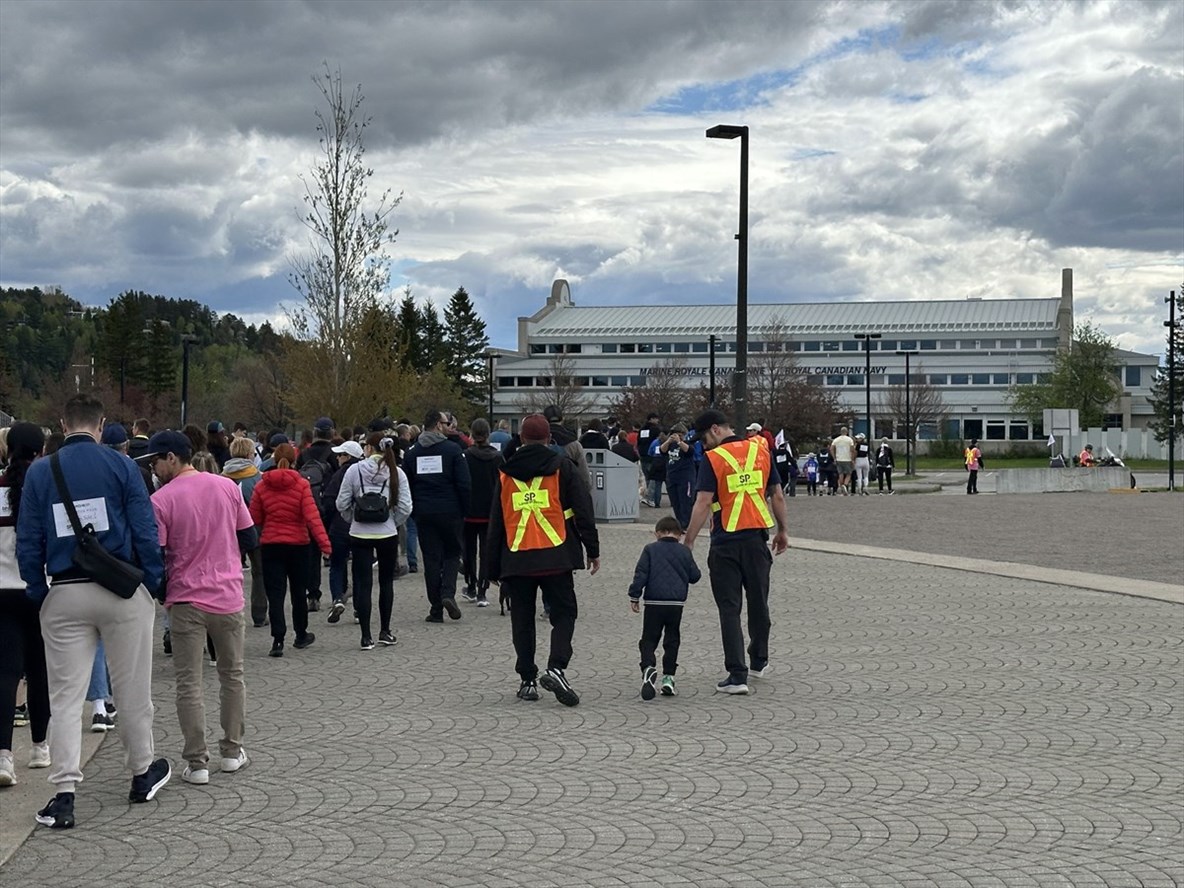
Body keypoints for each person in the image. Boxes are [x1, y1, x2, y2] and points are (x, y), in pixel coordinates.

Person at [16, 393, 170, 829]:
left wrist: (35, 587)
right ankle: (141, 772)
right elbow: (144, 527)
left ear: (63, 425)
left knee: (65, 697)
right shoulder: (122, 466)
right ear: (101, 426)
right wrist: (152, 579)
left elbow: (30, 537)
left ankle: (63, 793)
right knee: (132, 689)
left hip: (64, 590)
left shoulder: (42, 472)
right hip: (120, 589)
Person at [147, 430, 256, 785]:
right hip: (226, 595)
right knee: (232, 674)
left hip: (185, 598)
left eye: (155, 461)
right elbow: (249, 537)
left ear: (172, 458)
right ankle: (232, 750)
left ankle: (197, 763)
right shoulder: (227, 487)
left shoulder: (161, 500)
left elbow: (158, 554)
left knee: (188, 683)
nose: (153, 468)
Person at [485, 413, 599, 706]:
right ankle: (557, 667)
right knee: (564, 614)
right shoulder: (563, 467)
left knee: (522, 620)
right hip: (556, 555)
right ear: (549, 439)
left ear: (521, 438)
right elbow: (583, 508)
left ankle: (527, 680)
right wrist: (592, 549)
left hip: (517, 558)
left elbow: (496, 521)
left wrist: (491, 567)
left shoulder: (505, 473)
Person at [683, 409, 790, 696]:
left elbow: (703, 502)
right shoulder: (761, 450)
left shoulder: (713, 459)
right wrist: (783, 530)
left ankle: (737, 675)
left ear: (716, 429)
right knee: (759, 603)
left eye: (704, 438)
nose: (703, 444)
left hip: (725, 543)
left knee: (729, 609)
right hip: (756, 540)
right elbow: (777, 494)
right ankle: (758, 660)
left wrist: (689, 541)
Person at [1, 423, 51, 787]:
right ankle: (40, 746)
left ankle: (3, 755)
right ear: (41, 450)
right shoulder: (46, 488)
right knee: (39, 670)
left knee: (5, 674)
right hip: (40, 588)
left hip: (1, 590)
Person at [248, 443, 330, 656]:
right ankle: (301, 634)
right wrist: (325, 545)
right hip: (298, 545)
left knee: (275, 594)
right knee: (297, 592)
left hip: (271, 545)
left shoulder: (261, 486)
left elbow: (254, 518)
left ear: (273, 460)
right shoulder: (301, 485)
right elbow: (312, 518)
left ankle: (278, 640)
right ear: (294, 460)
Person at [335, 433, 411, 649]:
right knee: (386, 583)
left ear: (368, 448)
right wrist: (391, 521)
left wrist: (353, 519)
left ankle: (365, 636)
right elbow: (406, 507)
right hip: (386, 534)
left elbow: (342, 503)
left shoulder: (354, 470)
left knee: (363, 583)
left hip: (359, 534)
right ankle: (385, 631)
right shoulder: (396, 472)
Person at [403, 410, 470, 624]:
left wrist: (414, 510)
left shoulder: (413, 453)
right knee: (452, 553)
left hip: (424, 512)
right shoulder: (452, 450)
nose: (449, 425)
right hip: (450, 511)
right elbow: (464, 484)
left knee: (431, 559)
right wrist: (465, 509)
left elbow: (407, 484)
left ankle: (435, 609)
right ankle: (447, 594)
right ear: (438, 425)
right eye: (446, 422)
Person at [628, 516, 701, 700]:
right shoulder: (684, 551)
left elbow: (641, 573)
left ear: (657, 533)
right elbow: (695, 576)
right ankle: (668, 677)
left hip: (653, 603)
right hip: (676, 604)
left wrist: (635, 595)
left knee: (648, 639)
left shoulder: (650, 550)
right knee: (672, 639)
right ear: (679, 534)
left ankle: (648, 667)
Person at [222, 437, 267, 626]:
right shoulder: (259, 478)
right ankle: (259, 613)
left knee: (225, 573)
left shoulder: (221, 478)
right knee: (259, 573)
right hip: (255, 530)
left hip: (226, 532)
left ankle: (225, 611)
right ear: (250, 454)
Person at [297, 417, 336, 613]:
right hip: (329, 506)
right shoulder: (333, 454)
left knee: (311, 553)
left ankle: (312, 593)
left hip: (308, 507)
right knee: (335, 551)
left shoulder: (303, 455)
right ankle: (338, 593)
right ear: (331, 433)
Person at [462, 419, 503, 607]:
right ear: (488, 434)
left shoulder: (465, 456)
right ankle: (482, 591)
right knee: (486, 552)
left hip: (469, 510)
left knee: (468, 550)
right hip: (490, 511)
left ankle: (470, 585)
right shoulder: (497, 457)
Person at [321, 439, 363, 623]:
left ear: (348, 457)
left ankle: (337, 598)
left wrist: (329, 523)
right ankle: (360, 608)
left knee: (337, 565)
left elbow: (329, 501)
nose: (337, 458)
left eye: (340, 455)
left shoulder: (339, 475)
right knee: (360, 568)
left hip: (339, 526)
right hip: (362, 526)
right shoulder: (365, 473)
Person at [662, 424, 696, 530]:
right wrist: (668, 441)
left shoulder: (687, 444)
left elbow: (689, 451)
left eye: (680, 435)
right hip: (672, 476)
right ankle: (679, 522)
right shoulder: (670, 445)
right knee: (675, 502)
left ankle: (686, 524)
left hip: (685, 477)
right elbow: (662, 450)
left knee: (685, 502)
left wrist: (679, 441)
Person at [637, 413, 661, 506]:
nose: (657, 421)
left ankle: (648, 495)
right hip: (653, 456)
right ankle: (651, 497)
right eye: (656, 419)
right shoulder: (655, 430)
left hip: (643, 456)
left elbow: (639, 442)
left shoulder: (642, 430)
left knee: (647, 477)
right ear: (651, 419)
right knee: (653, 478)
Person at [830, 427, 855, 495]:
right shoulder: (849, 440)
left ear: (841, 432)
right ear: (847, 432)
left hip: (839, 459)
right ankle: (845, 484)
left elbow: (831, 449)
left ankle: (840, 486)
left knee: (840, 473)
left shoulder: (836, 440)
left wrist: (834, 457)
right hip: (847, 459)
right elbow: (852, 450)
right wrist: (852, 459)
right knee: (849, 473)